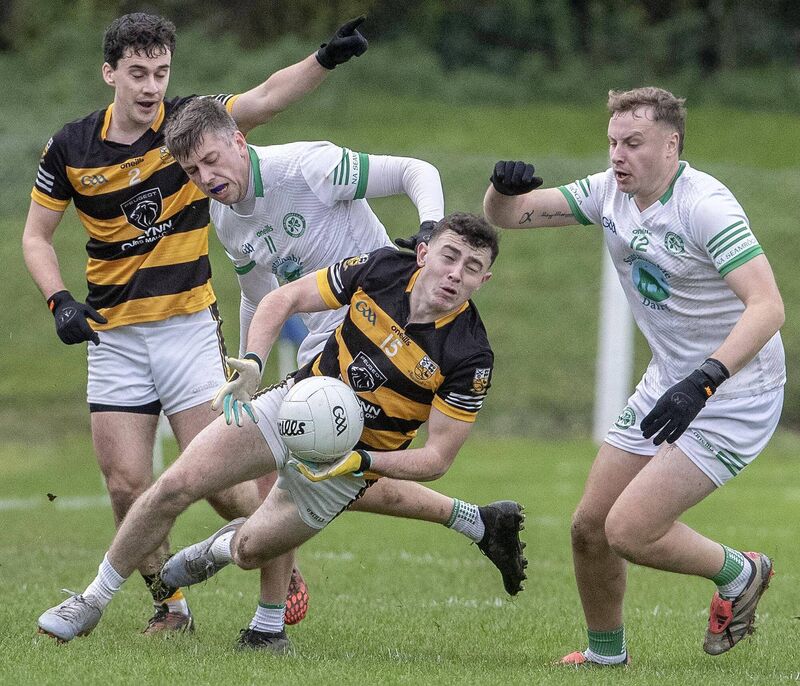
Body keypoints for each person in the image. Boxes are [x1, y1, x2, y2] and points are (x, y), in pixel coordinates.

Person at [23, 11, 368, 635]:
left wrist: (324, 59)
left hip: (188, 328)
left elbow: (265, 98)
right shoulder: (70, 147)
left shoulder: (187, 129)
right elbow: (35, 238)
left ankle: (276, 565)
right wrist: (59, 300)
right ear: (110, 74)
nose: (151, 86)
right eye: (137, 74)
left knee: (223, 484)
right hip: (114, 336)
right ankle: (170, 606)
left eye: (160, 72)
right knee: (128, 484)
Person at [38, 213, 514, 653]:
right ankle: (90, 600)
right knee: (175, 485)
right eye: (449, 256)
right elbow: (283, 297)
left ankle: (217, 549)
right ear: (425, 253)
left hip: (345, 469)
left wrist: (360, 464)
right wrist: (252, 364)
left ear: (484, 281)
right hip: (291, 405)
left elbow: (437, 460)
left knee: (249, 551)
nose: (456, 273)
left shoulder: (470, 356)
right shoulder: (385, 268)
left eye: (472, 267)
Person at [162, 96, 526, 603]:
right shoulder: (227, 218)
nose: (205, 175)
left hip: (369, 321)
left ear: (238, 143)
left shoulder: (312, 167)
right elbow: (259, 297)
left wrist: (429, 231)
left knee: (319, 468)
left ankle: (264, 607)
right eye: (192, 169)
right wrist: (252, 361)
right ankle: (477, 522)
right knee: (323, 470)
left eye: (210, 159)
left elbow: (416, 171)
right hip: (324, 332)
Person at [482, 87, 785, 664]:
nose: (618, 155)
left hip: (737, 390)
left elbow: (768, 308)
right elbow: (507, 217)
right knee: (589, 528)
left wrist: (706, 380)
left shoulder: (706, 206)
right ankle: (605, 657)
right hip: (670, 382)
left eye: (633, 143)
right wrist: (502, 188)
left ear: (671, 146)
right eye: (613, 143)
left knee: (630, 530)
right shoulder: (607, 193)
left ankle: (741, 572)